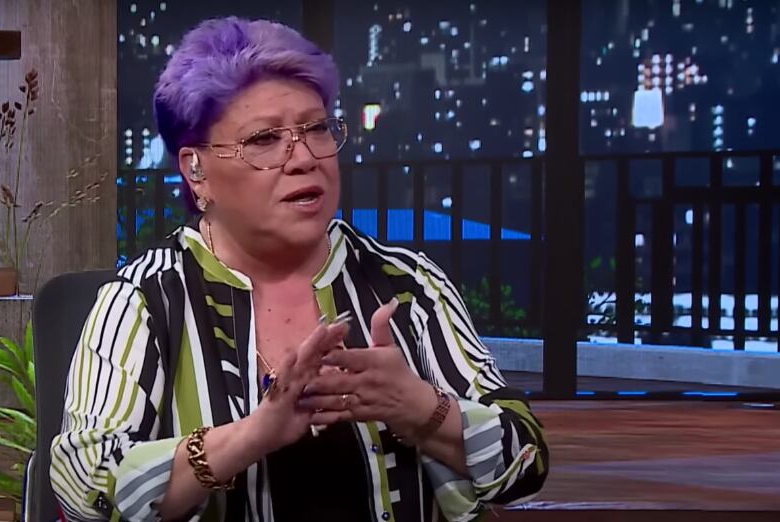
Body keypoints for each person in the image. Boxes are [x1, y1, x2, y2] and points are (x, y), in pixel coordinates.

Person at [51, 17, 548, 522]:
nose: (304, 158)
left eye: (316, 129)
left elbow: (526, 459)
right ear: (196, 170)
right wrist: (253, 435)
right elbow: (83, 490)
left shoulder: (405, 283)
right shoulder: (145, 298)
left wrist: (421, 409)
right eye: (264, 139)